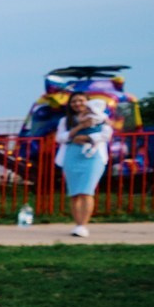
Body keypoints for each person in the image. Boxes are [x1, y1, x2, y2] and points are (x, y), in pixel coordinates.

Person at [58, 90, 111, 239]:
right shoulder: (65, 120)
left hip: (93, 156)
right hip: (72, 155)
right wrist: (79, 127)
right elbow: (61, 138)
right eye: (74, 101)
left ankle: (83, 225)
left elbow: (106, 134)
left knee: (87, 190)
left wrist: (88, 137)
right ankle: (77, 224)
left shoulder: (100, 117)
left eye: (80, 100)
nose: (77, 104)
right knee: (74, 192)